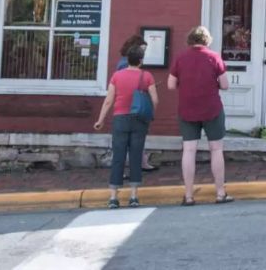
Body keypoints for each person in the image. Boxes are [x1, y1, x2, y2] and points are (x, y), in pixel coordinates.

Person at [167, 26, 233, 206]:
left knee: (188, 150)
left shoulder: (181, 58)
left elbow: (171, 85)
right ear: (207, 40)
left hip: (187, 109)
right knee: (216, 149)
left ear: (190, 40)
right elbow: (225, 85)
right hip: (211, 108)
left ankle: (188, 195)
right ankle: (220, 193)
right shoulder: (214, 57)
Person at [93, 44, 159, 208]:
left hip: (120, 119)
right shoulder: (147, 76)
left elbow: (109, 100)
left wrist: (100, 120)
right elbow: (155, 99)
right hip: (139, 119)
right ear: (141, 61)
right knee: (136, 156)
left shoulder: (116, 76)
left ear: (127, 60)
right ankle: (134, 196)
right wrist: (150, 114)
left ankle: (114, 196)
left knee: (118, 156)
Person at [116, 34, 157, 171]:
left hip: (132, 104)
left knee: (138, 136)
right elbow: (127, 84)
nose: (143, 53)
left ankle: (141, 162)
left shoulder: (124, 63)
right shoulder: (124, 65)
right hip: (130, 106)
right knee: (131, 139)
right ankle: (134, 167)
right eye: (142, 50)